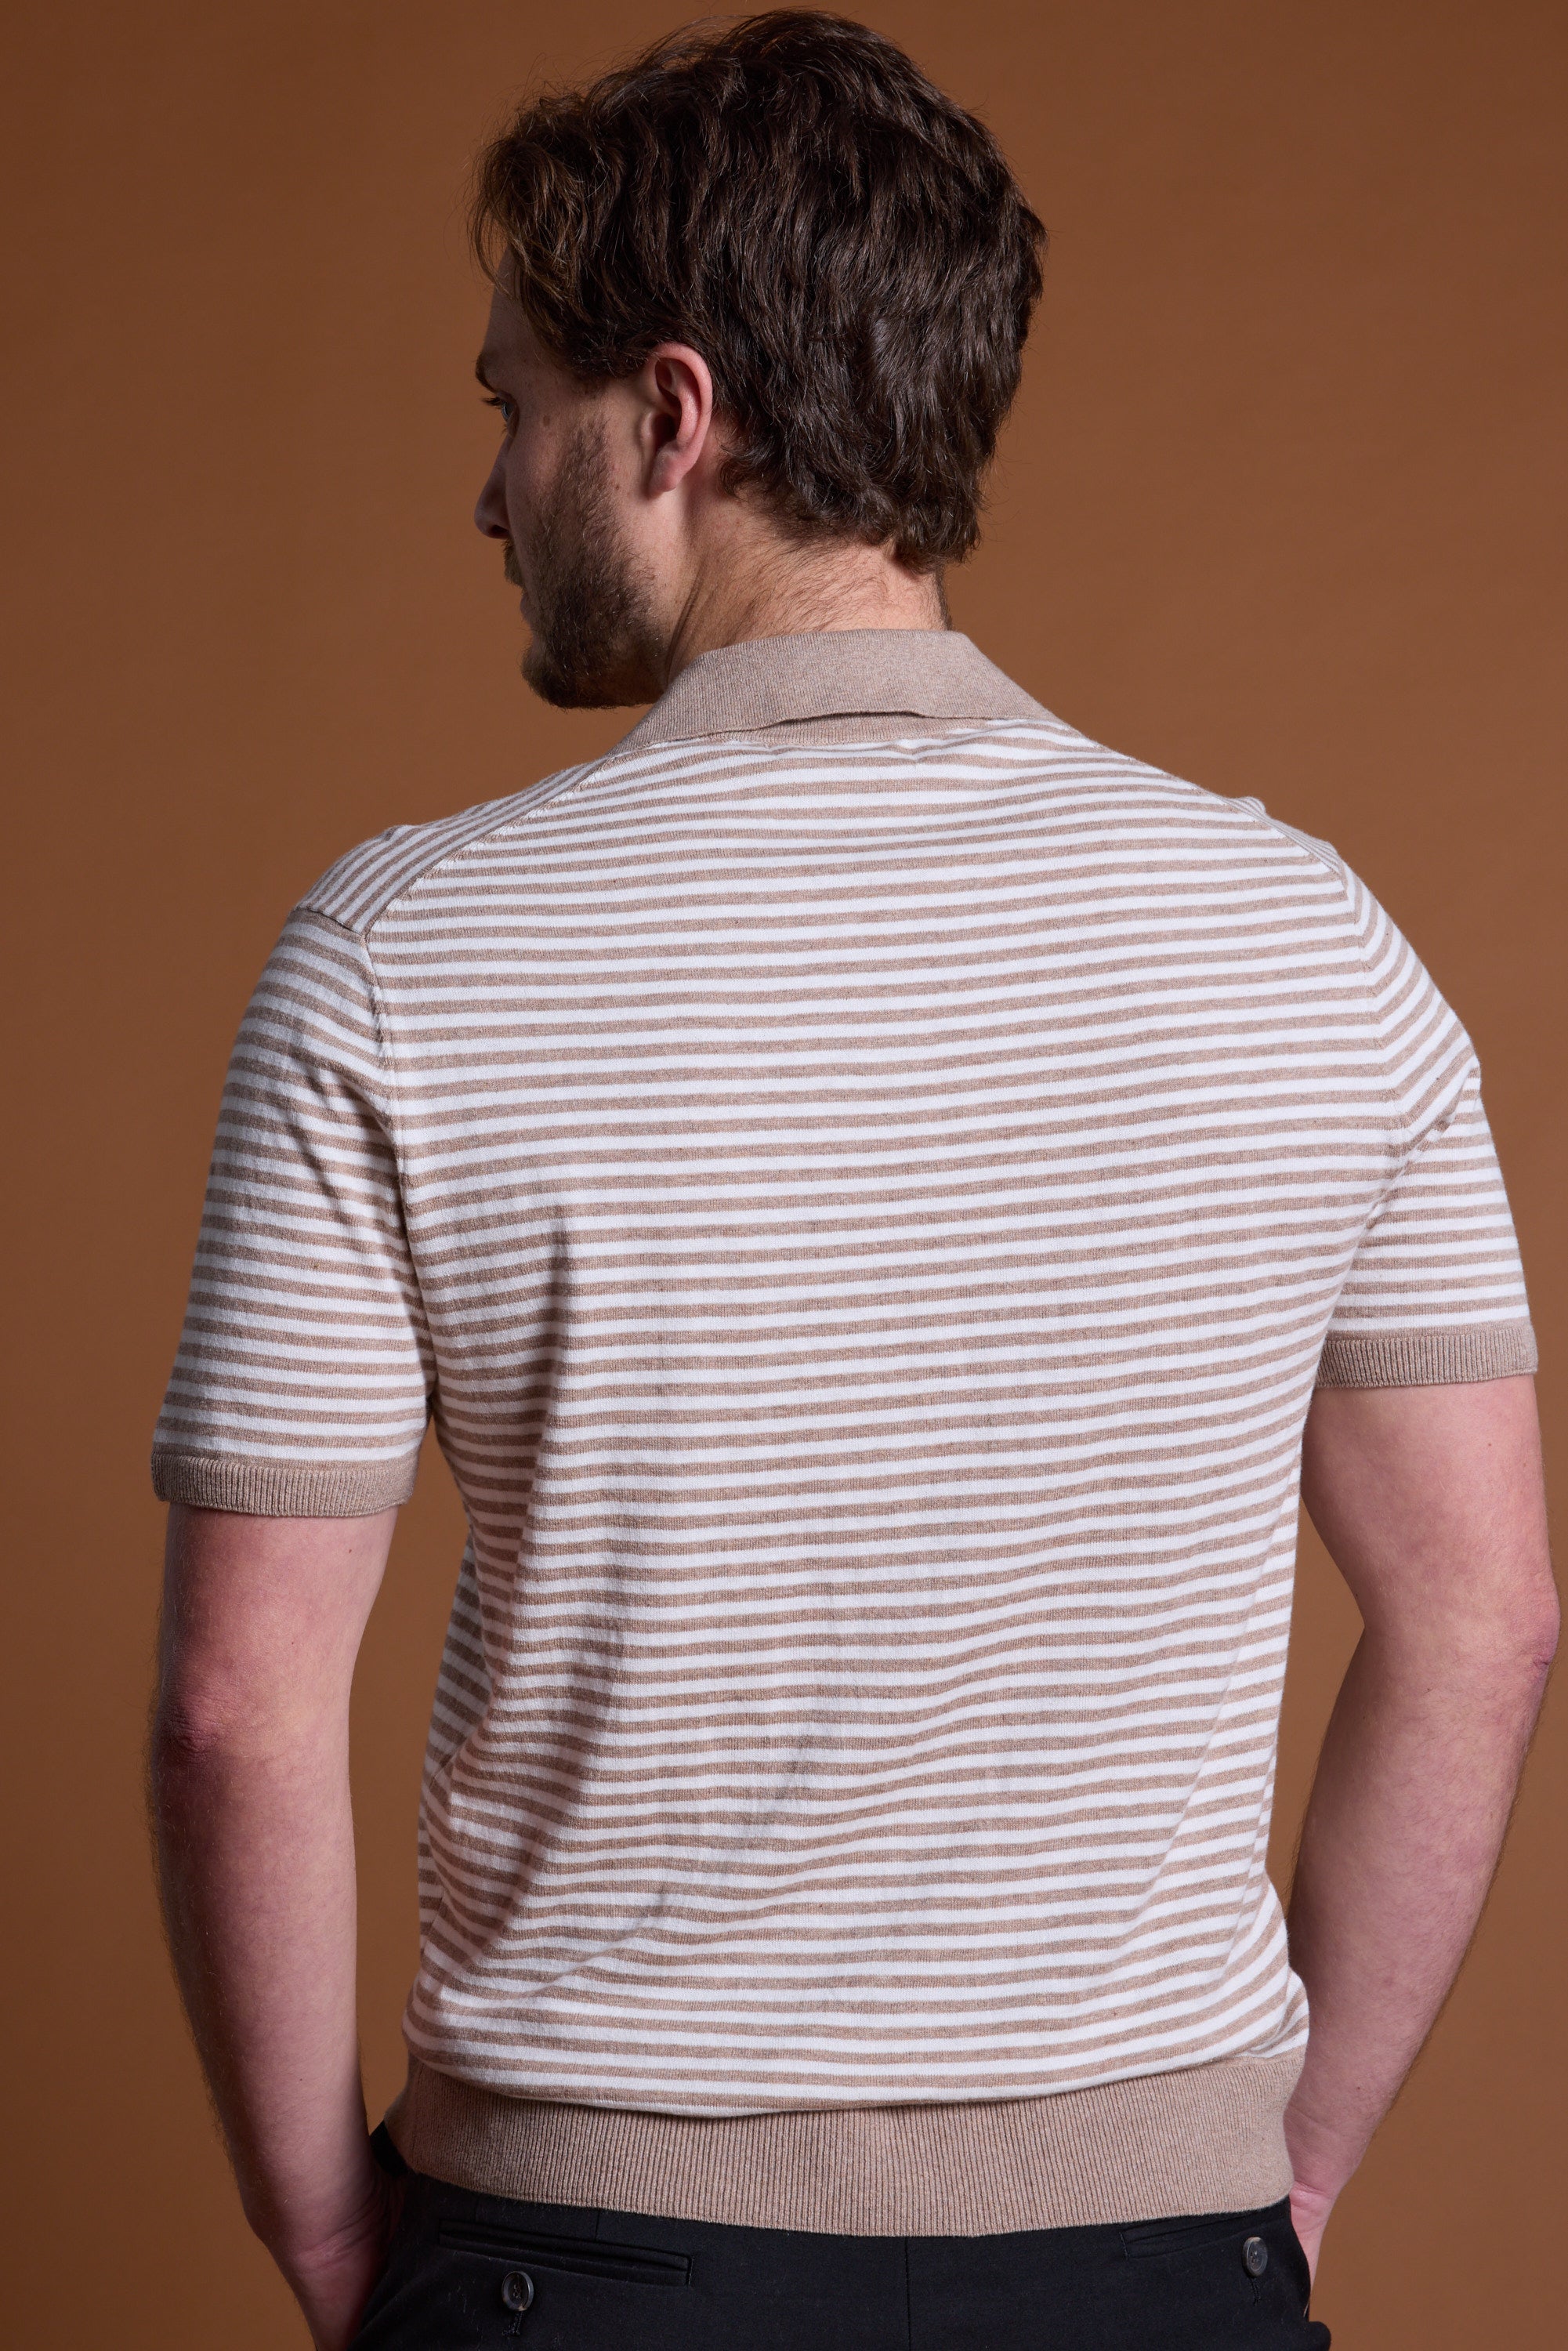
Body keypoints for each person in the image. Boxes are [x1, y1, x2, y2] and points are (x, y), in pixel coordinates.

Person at [147, 14, 1555, 2349]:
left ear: (673, 417)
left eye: (513, 407)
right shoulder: (1310, 937)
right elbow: (1483, 1624)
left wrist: (327, 2245)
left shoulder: (403, 953)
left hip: (569, 2259)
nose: (492, 493)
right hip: (1154, 2257)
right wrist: (1267, 2184)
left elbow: (236, 1711)